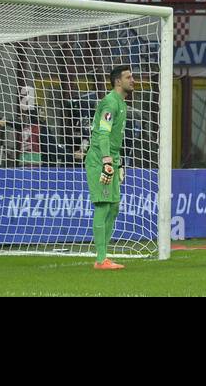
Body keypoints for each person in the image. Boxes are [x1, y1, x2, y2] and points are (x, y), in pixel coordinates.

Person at [87, 65, 132, 271]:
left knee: (114, 207)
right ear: (118, 81)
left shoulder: (121, 104)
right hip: (99, 160)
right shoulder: (110, 103)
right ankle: (101, 258)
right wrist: (106, 160)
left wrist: (118, 161)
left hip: (112, 159)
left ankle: (103, 257)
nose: (133, 80)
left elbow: (115, 139)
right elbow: (104, 133)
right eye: (128, 77)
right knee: (103, 205)